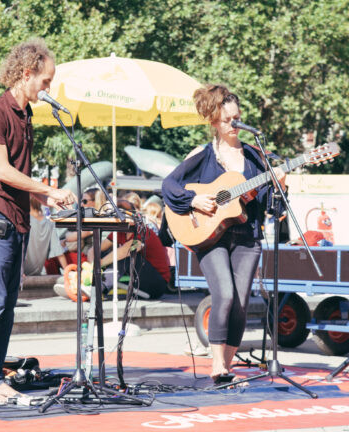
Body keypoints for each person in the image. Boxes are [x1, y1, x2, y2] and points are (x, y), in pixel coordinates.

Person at [0, 39, 75, 404]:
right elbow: (2, 171)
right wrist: (47, 189)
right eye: (45, 81)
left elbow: (20, 178)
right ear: (26, 74)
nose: (48, 88)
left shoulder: (26, 117)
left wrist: (47, 197)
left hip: (17, 221)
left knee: (6, 308)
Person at [162, 83, 286, 384]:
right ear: (215, 121)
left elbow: (272, 207)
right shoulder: (202, 155)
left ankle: (225, 367)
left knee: (241, 301)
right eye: (229, 119)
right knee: (225, 294)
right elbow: (169, 185)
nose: (235, 124)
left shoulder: (256, 158)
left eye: (238, 118)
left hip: (246, 236)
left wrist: (280, 186)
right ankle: (216, 363)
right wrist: (194, 200)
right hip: (209, 236)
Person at [96, 199, 170, 299]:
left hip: (157, 284)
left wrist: (99, 263)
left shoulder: (143, 231)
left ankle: (100, 288)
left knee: (128, 256)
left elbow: (127, 250)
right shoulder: (119, 233)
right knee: (108, 253)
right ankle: (94, 285)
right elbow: (96, 248)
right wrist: (92, 260)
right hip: (140, 279)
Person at [23, 196, 67, 276]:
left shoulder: (24, 220)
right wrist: (68, 272)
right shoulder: (49, 223)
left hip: (22, 272)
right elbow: (58, 251)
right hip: (37, 272)